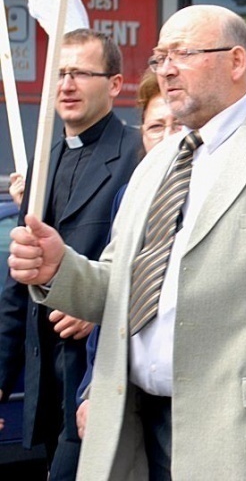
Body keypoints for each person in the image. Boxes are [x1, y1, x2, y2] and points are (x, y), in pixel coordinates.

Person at [7, 5, 246, 480]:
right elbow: (120, 289)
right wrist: (59, 269)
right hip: (134, 431)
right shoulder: (154, 164)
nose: (166, 68)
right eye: (158, 57)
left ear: (236, 62)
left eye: (183, 53)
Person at [0, 29, 142, 480]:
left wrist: (99, 308)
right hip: (45, 388)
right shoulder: (42, 161)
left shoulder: (140, 156)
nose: (66, 85)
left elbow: (159, 262)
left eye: (80, 73)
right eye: (59, 74)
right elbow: (17, 289)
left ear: (115, 84)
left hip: (100, 379)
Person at [74, 69, 183, 440]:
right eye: (156, 127)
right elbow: (116, 298)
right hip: (135, 402)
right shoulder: (131, 196)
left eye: (179, 125)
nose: (169, 138)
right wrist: (92, 388)